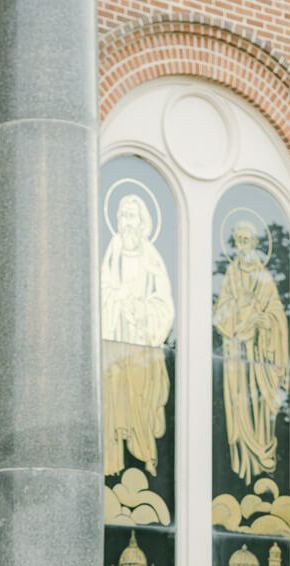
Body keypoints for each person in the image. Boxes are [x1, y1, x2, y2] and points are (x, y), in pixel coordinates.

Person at [101, 193, 174, 478]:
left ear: (143, 222)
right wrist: (117, 301)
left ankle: (146, 461)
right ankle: (113, 467)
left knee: (141, 408)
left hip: (143, 350)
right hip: (114, 349)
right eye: (123, 215)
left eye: (132, 216)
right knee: (114, 403)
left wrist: (141, 311)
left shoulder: (152, 258)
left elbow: (163, 304)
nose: (127, 222)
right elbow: (103, 291)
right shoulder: (112, 252)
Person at [213, 221, 289, 486]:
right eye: (239, 240)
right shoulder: (231, 276)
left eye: (247, 240)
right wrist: (237, 314)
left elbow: (277, 314)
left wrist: (265, 321)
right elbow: (219, 314)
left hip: (258, 358)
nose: (243, 246)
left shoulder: (266, 278)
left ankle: (260, 463)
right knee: (238, 407)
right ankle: (240, 467)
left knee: (259, 410)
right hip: (236, 356)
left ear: (256, 245)